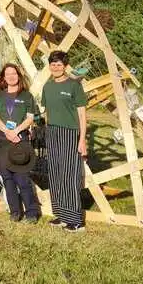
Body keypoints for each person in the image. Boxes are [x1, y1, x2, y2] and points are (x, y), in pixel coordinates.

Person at [40, 50, 88, 233]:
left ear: (65, 66)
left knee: (69, 175)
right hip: (52, 132)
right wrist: (46, 132)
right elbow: (47, 113)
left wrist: (82, 140)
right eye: (53, 64)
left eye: (59, 64)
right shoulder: (47, 86)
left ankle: (75, 220)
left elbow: (82, 114)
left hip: (70, 133)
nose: (56, 67)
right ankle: (60, 214)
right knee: (55, 173)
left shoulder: (74, 85)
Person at [0, 63, 40, 223]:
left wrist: (16, 131)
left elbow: (30, 118)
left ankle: (32, 212)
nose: (11, 76)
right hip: (2, 141)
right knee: (7, 178)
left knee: (21, 177)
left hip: (19, 140)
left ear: (19, 75)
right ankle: (15, 211)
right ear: (3, 78)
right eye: (8, 74)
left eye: (14, 73)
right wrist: (7, 132)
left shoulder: (26, 96)